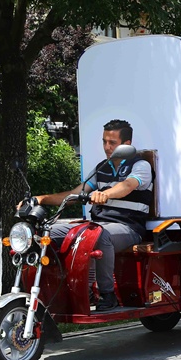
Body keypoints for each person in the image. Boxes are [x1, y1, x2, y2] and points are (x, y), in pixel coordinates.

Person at [32, 119, 153, 311]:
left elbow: (128, 185)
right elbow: (74, 194)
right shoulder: (101, 168)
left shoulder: (140, 166)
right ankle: (56, 291)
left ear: (127, 145)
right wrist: (41, 199)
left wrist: (106, 194)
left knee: (99, 235)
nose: (107, 147)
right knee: (48, 232)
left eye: (112, 143)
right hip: (98, 225)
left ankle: (107, 294)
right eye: (104, 141)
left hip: (129, 227)